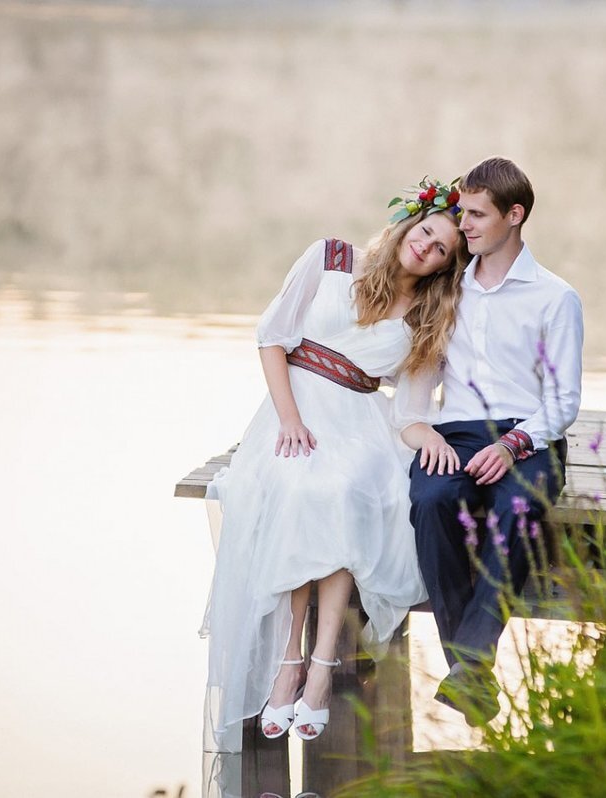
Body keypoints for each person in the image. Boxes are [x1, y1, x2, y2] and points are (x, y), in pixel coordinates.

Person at [199, 177, 471, 751]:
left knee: (348, 490)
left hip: (362, 424)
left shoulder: (426, 315)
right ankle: (288, 662)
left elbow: (412, 411)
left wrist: (433, 441)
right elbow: (271, 337)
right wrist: (290, 417)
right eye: (426, 232)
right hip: (292, 408)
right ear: (408, 225)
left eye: (442, 249)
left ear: (447, 265)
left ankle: (320, 670)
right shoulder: (330, 260)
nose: (426, 247)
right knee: (300, 488)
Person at [409, 156, 585, 725]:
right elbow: (418, 377)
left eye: (477, 215)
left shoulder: (556, 298)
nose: (464, 227)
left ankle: (466, 668)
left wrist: (512, 446)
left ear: (516, 215)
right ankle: (474, 672)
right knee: (431, 501)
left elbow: (562, 403)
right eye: (462, 214)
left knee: (517, 508)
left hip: (528, 438)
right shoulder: (446, 290)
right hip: (454, 433)